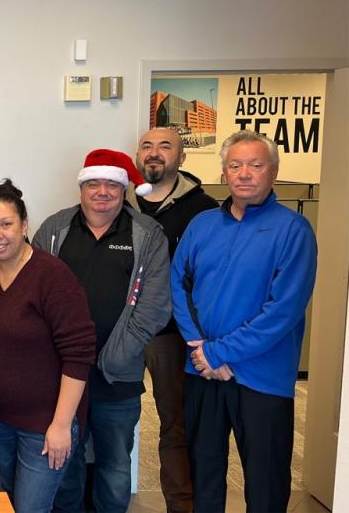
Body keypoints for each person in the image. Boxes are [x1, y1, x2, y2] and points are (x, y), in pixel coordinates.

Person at [172, 130, 317, 512]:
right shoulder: (202, 225)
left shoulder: (293, 230)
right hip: (202, 371)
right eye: (235, 165)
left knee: (266, 481)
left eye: (256, 165)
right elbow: (178, 285)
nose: (245, 173)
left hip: (262, 376)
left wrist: (220, 353)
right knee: (203, 473)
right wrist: (201, 349)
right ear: (224, 173)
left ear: (274, 171)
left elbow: (282, 310)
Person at [33, 149, 171, 513]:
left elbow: (155, 307)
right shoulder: (54, 229)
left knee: (114, 468)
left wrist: (113, 357)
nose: (102, 192)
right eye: (93, 183)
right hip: (61, 377)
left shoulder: (147, 234)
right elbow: (32, 294)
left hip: (118, 377)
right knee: (63, 462)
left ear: (123, 189)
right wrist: (61, 360)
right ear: (81, 187)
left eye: (112, 184)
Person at [0, 180, 95, 512]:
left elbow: (79, 354)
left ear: (24, 225)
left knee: (31, 508)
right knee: (9, 501)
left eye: (6, 224)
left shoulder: (52, 276)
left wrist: (61, 425)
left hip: (45, 423)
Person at [126, 126, 219, 513]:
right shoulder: (118, 201)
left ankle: (180, 505)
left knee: (175, 424)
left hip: (173, 334)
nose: (154, 152)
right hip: (122, 331)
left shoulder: (204, 209)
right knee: (113, 419)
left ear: (181, 157)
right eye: (146, 146)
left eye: (165, 146)